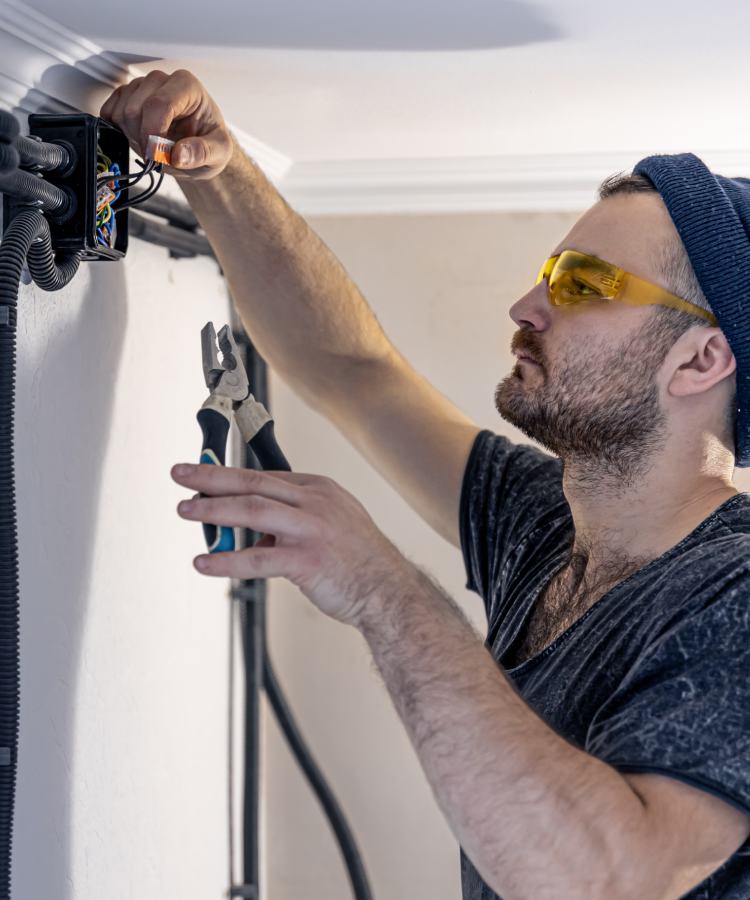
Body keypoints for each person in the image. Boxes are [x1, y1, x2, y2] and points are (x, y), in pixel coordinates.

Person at [101, 69, 750, 898]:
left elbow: (603, 882)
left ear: (699, 360)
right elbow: (353, 372)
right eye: (548, 273)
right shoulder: (541, 526)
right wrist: (218, 169)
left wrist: (384, 591)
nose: (526, 304)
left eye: (583, 284)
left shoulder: (734, 590)